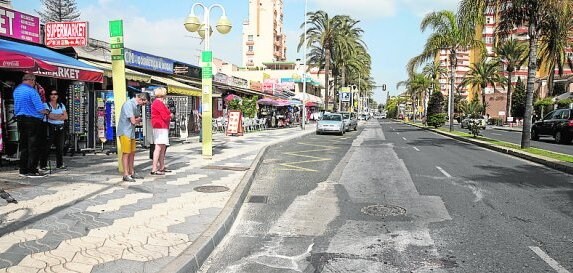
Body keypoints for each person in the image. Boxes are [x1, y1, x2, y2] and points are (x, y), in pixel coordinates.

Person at [13, 74, 49, 178]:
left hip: (20, 119)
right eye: (34, 81)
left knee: (24, 146)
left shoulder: (17, 90)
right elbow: (39, 108)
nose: (35, 83)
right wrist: (46, 111)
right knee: (34, 146)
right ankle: (32, 170)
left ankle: (23, 170)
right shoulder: (32, 92)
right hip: (32, 120)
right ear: (31, 80)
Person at [117, 93, 148, 182]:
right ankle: (126, 174)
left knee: (132, 152)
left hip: (131, 132)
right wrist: (137, 119)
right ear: (141, 99)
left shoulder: (137, 106)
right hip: (125, 131)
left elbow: (137, 118)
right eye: (144, 103)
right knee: (126, 153)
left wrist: (137, 119)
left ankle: (132, 171)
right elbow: (134, 121)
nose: (144, 105)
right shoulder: (129, 104)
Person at [39, 89, 68, 171]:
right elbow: (50, 116)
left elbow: (66, 117)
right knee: (46, 147)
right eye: (52, 94)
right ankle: (43, 165)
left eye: (55, 94)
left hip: (60, 127)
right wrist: (60, 115)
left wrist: (55, 116)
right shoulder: (46, 105)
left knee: (60, 147)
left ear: (58, 95)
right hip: (49, 127)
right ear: (49, 96)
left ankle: (60, 164)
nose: (53, 95)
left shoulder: (61, 105)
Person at [150, 88, 172, 175]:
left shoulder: (158, 103)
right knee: (158, 148)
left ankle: (161, 166)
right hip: (160, 127)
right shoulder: (158, 103)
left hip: (161, 127)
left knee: (162, 148)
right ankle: (154, 168)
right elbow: (165, 116)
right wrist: (170, 115)